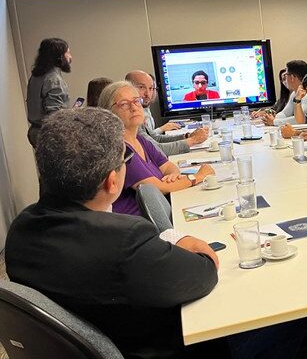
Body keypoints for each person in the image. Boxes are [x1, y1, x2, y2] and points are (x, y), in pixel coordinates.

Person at [5, 107, 224, 358]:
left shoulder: (20, 230)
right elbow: (205, 272)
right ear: (112, 181)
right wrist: (186, 240)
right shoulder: (125, 241)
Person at [97, 81, 214, 217]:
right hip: (142, 226)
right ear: (108, 112)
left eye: (136, 101)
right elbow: (159, 188)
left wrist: (173, 175)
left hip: (164, 211)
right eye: (123, 104)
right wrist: (199, 176)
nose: (134, 108)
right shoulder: (121, 150)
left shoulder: (139, 139)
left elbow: (168, 166)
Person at [125, 70, 208, 156]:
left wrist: (187, 136)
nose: (148, 94)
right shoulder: (130, 117)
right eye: (141, 87)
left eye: (150, 88)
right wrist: (193, 140)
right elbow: (158, 150)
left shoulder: (141, 111)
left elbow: (156, 138)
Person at [25, 37, 73, 148]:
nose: (70, 57)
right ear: (59, 57)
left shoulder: (35, 77)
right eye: (68, 53)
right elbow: (55, 116)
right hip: (50, 135)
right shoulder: (53, 79)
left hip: (35, 132)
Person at [254, 61, 307, 126]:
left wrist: (275, 122)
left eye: (286, 75)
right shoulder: (294, 93)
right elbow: (285, 113)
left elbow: (301, 119)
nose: (285, 79)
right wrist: (274, 119)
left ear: (292, 77)